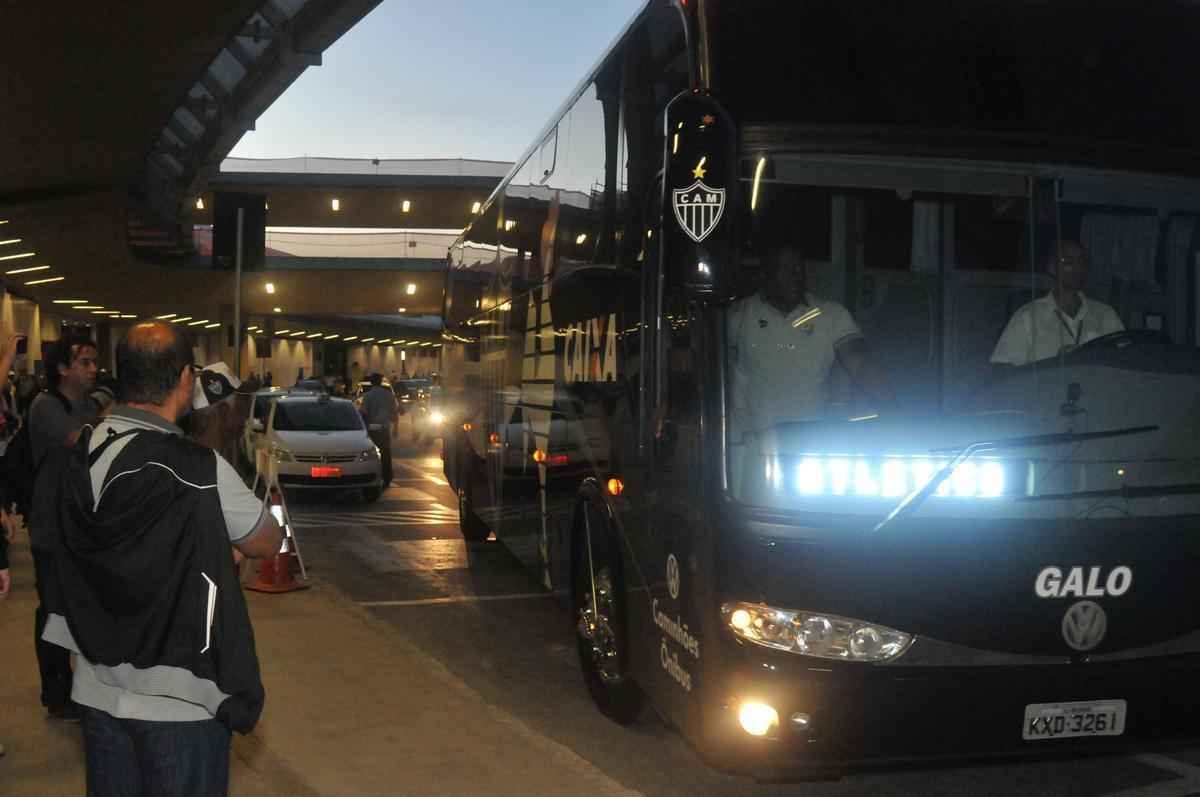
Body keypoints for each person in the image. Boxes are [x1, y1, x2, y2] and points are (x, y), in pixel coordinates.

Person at [33, 321, 283, 796]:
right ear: (186, 379)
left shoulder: (83, 449)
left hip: (97, 689)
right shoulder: (198, 468)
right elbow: (267, 541)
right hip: (180, 703)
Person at [727, 241, 893, 433]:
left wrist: (892, 409)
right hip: (748, 438)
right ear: (765, 274)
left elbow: (860, 361)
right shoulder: (740, 315)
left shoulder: (830, 315)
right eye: (785, 268)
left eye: (798, 267)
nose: (795, 275)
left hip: (808, 439)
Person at [26, 333, 99, 722]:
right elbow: (83, 441)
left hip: (81, 526)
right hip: (51, 528)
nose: (92, 369)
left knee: (80, 610)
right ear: (62, 368)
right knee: (54, 612)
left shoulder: (85, 405)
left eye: (94, 362)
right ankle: (56, 694)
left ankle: (80, 687)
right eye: (84, 362)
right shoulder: (46, 406)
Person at [991, 240, 1125, 366]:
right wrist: (1054, 366)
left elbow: (1124, 361)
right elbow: (1001, 367)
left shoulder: (1105, 314)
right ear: (1051, 268)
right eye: (1067, 261)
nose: (1077, 267)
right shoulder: (1028, 316)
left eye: (1081, 261)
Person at [360, 372, 398, 486]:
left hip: (371, 429)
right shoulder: (388, 395)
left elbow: (364, 413)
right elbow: (394, 413)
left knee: (370, 455)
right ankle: (387, 476)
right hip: (384, 428)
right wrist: (396, 428)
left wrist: (363, 428)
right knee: (385, 453)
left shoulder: (368, 396)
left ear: (371, 382)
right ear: (381, 382)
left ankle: (370, 475)